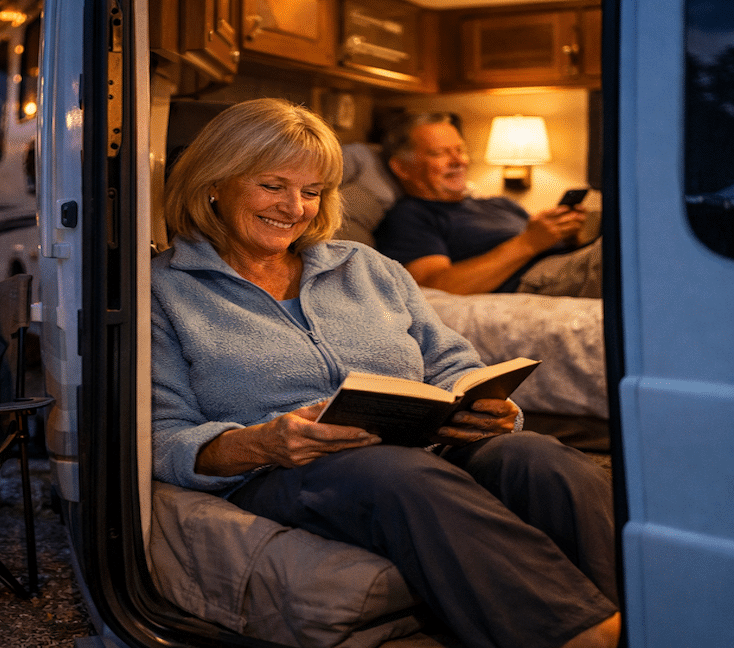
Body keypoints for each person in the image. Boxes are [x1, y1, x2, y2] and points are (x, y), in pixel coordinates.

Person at [151, 98, 619, 648]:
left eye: (312, 191)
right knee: (401, 477)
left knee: (539, 458)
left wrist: (488, 405)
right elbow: (162, 436)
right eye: (272, 186)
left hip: (419, 446)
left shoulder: (367, 266)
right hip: (284, 470)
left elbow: (451, 361)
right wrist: (263, 442)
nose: (295, 208)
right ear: (215, 183)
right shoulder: (165, 290)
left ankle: (653, 612)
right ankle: (587, 637)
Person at [374, 112, 601, 297]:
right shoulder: (411, 216)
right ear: (402, 168)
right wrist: (529, 242)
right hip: (536, 279)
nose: (458, 161)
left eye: (460, 150)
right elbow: (434, 287)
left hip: (568, 265)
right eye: (439, 153)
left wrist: (567, 234)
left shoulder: (499, 203)